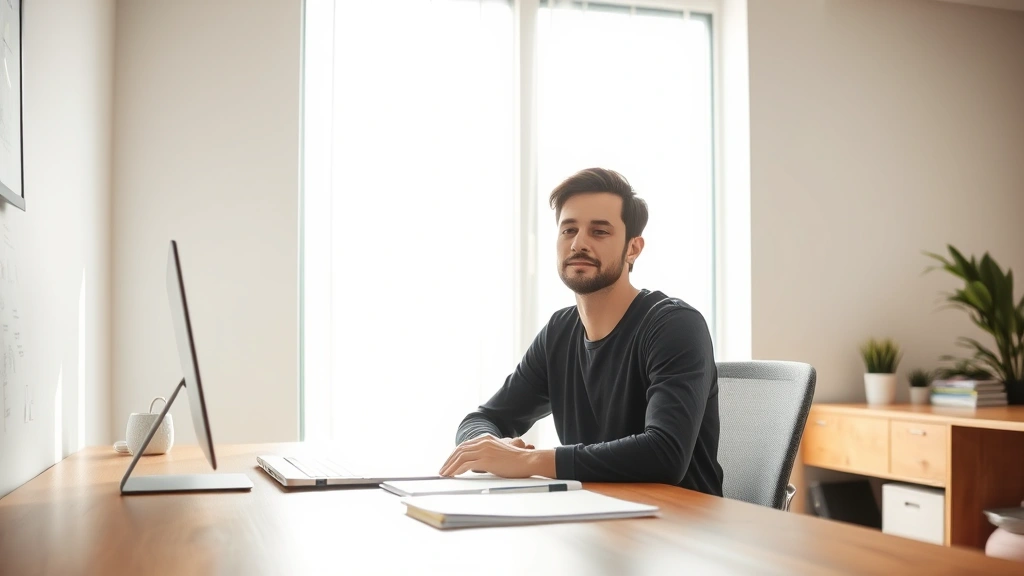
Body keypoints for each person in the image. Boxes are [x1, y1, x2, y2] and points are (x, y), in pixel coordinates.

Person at [439, 168, 723, 496]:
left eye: (599, 232)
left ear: (633, 249)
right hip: (598, 517)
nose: (578, 243)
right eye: (568, 230)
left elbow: (664, 454)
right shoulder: (559, 333)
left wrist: (528, 462)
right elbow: (484, 418)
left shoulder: (674, 325)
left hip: (683, 529)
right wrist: (494, 446)